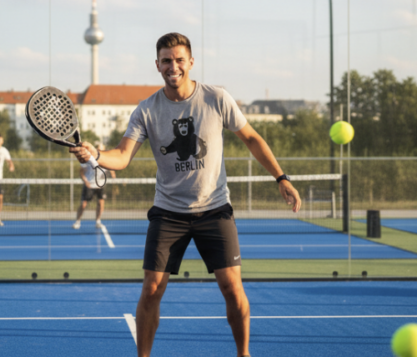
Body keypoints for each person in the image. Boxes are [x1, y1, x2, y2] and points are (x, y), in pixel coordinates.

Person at [71, 32, 301, 357]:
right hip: (168, 213)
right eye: (166, 60)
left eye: (179, 59)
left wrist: (281, 177)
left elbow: (251, 138)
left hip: (215, 209)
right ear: (157, 65)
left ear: (191, 62)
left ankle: (243, 354)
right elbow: (121, 157)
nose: (173, 66)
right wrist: (95, 154)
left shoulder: (216, 98)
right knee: (151, 289)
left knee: (232, 287)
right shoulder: (146, 110)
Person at [73, 142, 116, 229]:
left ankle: (98, 221)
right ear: (96, 149)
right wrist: (86, 181)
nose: (101, 150)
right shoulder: (88, 159)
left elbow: (111, 167)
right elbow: (82, 171)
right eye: (99, 148)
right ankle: (77, 221)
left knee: (101, 204)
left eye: (102, 148)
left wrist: (113, 175)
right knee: (83, 205)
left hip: (101, 185)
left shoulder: (106, 159)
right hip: (90, 185)